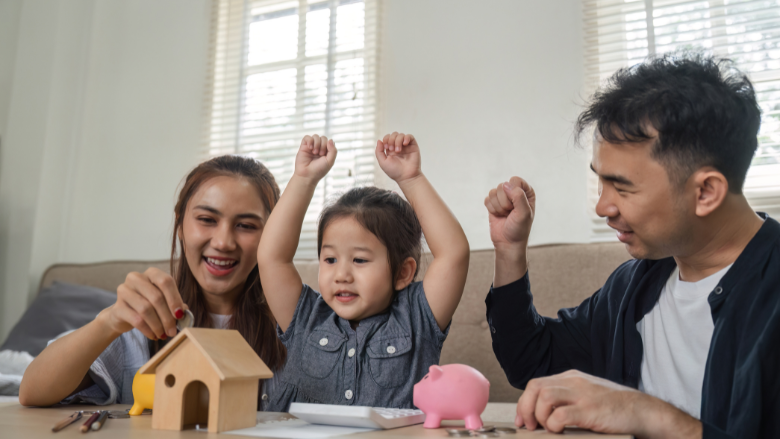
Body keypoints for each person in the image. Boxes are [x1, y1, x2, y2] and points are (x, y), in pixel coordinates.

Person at [484, 54, 779, 438]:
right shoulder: (635, 285)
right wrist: (510, 250)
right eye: (600, 182)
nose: (602, 206)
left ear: (706, 191)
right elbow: (531, 362)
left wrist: (646, 414)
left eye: (622, 187)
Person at [19, 155, 287, 408]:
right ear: (180, 224)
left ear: (272, 234)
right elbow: (31, 392)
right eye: (206, 220)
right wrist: (108, 322)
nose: (223, 242)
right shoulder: (142, 322)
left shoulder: (297, 329)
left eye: (247, 226)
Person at [257, 133, 470, 411]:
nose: (341, 275)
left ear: (402, 273)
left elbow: (454, 254)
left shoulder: (417, 317)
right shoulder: (305, 319)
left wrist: (411, 179)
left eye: (359, 260)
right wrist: (304, 179)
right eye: (330, 259)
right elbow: (272, 257)